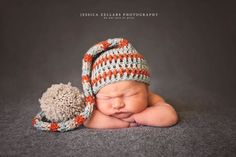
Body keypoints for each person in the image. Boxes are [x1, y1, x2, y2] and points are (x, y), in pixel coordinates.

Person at [81, 38, 178, 129]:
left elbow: (170, 116)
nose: (117, 104)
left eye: (129, 95)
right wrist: (123, 124)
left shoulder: (150, 98)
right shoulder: (94, 104)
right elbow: (87, 120)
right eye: (107, 98)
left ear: (146, 90)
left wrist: (136, 117)